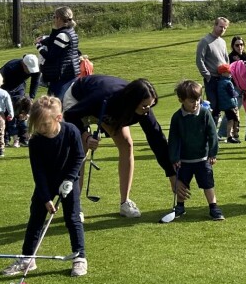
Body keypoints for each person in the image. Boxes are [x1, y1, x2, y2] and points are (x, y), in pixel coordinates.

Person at [62, 75, 178, 218]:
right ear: (133, 101)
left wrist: (171, 174)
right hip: (78, 99)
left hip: (110, 109)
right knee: (81, 149)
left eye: (150, 106)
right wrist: (86, 136)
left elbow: (156, 138)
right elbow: (70, 115)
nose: (147, 111)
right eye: (144, 106)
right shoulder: (103, 97)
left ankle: (125, 203)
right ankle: (75, 206)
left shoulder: (143, 107)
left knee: (127, 144)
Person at [4, 96, 88, 277]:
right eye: (37, 125)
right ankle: (28, 258)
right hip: (45, 184)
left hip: (68, 182)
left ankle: (80, 257)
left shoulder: (71, 131)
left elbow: (78, 157)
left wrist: (70, 179)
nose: (40, 128)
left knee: (72, 219)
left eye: (44, 124)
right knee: (36, 218)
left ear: (58, 118)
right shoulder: (36, 141)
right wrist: (46, 198)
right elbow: (38, 171)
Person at [168, 81, 224, 220]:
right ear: (181, 100)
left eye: (198, 99)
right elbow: (173, 139)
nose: (196, 103)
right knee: (183, 183)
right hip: (184, 160)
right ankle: (180, 207)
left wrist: (213, 153)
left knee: (208, 183)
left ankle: (213, 207)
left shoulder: (205, 114)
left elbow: (212, 135)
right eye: (192, 101)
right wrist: (174, 158)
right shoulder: (177, 117)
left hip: (202, 159)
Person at [35, 6, 80, 99]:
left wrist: (38, 46)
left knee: (54, 104)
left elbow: (51, 56)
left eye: (54, 17)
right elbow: (52, 40)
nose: (54, 19)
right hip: (67, 73)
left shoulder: (63, 35)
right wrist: (43, 40)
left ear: (59, 18)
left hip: (62, 76)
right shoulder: (69, 31)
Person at [0, 53, 41, 147]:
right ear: (23, 64)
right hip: (4, 87)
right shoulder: (11, 67)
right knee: (7, 112)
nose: (30, 72)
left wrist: (31, 97)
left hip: (19, 86)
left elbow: (35, 81)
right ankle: (5, 138)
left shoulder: (36, 69)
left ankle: (23, 139)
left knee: (21, 111)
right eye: (28, 69)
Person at [196, 17, 230, 127]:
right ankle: (210, 131)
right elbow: (199, 60)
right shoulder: (205, 41)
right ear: (215, 26)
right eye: (220, 27)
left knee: (220, 106)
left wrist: (228, 73)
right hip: (212, 78)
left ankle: (214, 132)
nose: (222, 29)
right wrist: (207, 75)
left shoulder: (223, 42)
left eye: (225, 28)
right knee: (213, 105)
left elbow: (226, 59)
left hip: (223, 79)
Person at [214, 63, 241, 143]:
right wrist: (238, 94)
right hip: (230, 104)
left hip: (224, 104)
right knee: (233, 119)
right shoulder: (228, 83)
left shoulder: (219, 82)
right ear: (223, 73)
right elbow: (232, 93)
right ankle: (231, 135)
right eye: (228, 72)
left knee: (231, 119)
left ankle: (232, 134)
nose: (230, 73)